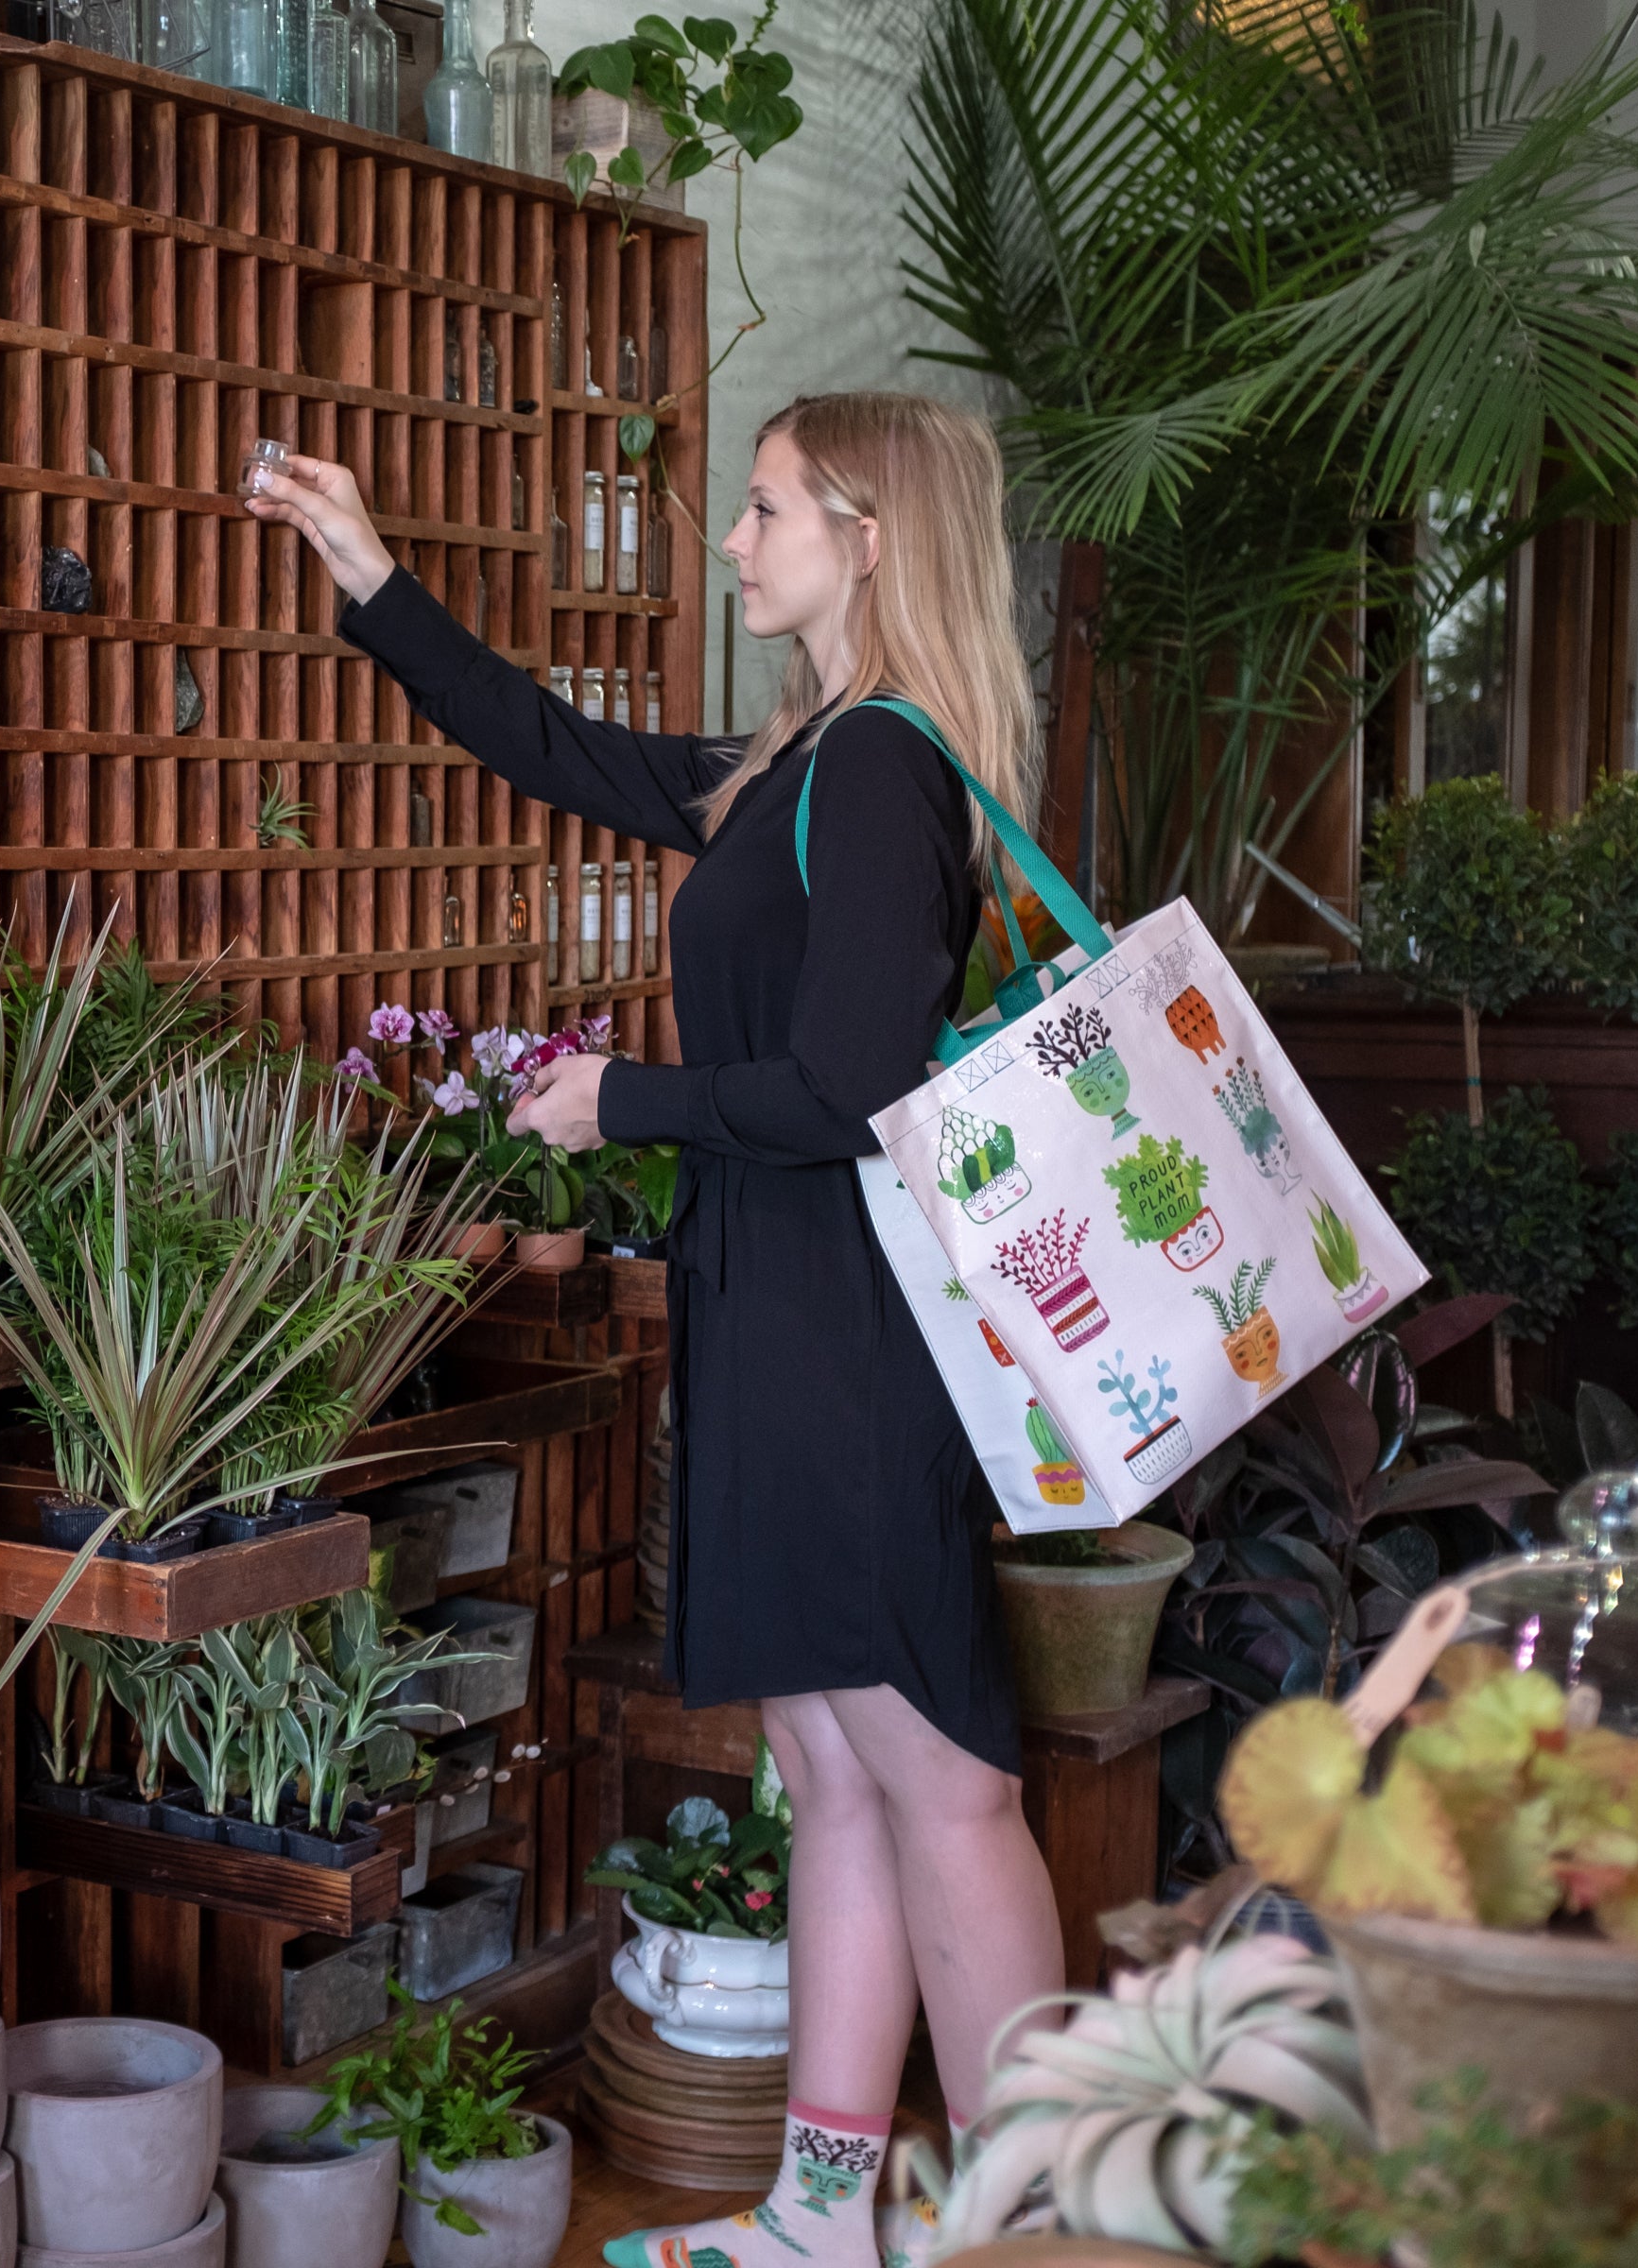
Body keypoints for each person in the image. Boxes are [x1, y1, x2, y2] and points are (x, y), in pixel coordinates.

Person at [250, 393, 1064, 2268]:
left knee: (942, 1780)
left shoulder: (878, 768)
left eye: (765, 506)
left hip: (852, 1336)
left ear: (868, 534)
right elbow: (558, 746)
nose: (730, 539)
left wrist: (620, 1103)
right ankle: (823, 2216)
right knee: (840, 1777)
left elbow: (852, 1087)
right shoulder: (797, 757)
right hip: (779, 1314)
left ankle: (1046, 2228)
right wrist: (369, 573)